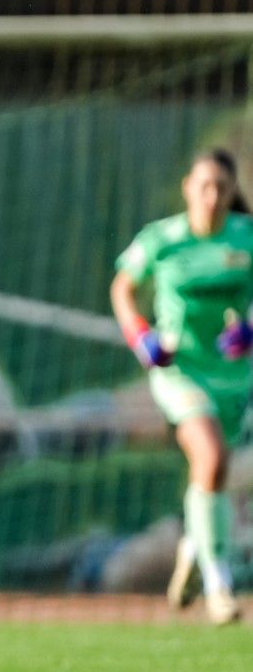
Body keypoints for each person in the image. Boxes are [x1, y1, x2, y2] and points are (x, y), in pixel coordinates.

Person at [110, 147, 253, 625]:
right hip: (180, 372)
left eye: (221, 188)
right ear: (188, 187)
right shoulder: (163, 239)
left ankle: (194, 548)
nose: (212, 196)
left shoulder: (244, 237)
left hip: (234, 377)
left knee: (212, 474)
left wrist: (250, 329)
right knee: (210, 458)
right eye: (204, 185)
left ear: (232, 193)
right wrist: (142, 337)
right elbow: (123, 288)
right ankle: (219, 586)